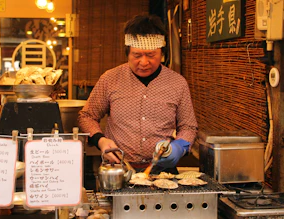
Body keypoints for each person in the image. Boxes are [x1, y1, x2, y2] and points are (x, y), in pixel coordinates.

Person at [78, 14, 198, 174]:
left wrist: (179, 147)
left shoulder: (177, 83)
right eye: (137, 55)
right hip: (119, 170)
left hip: (163, 173)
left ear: (162, 53)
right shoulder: (110, 79)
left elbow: (188, 126)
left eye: (151, 55)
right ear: (127, 52)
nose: (144, 62)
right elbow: (87, 116)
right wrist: (100, 140)